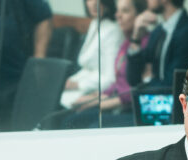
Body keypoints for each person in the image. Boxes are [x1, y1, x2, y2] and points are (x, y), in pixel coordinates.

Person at [63, 0, 148, 129]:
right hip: (114, 100)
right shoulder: (126, 44)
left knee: (83, 123)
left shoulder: (145, 43)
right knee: (71, 118)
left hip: (130, 108)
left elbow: (135, 90)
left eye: (125, 11)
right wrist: (93, 97)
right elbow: (116, 84)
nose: (118, 15)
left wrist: (96, 102)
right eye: (118, 11)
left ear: (139, 15)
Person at [125, 0, 188, 89]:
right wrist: (136, 38)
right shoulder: (158, 31)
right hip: (154, 98)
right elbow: (133, 79)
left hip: (176, 100)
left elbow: (173, 85)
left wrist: (146, 80)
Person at [59, 0, 123, 110]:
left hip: (95, 91)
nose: (94, 3)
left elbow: (110, 78)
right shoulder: (95, 23)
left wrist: (78, 85)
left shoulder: (113, 30)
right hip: (80, 83)